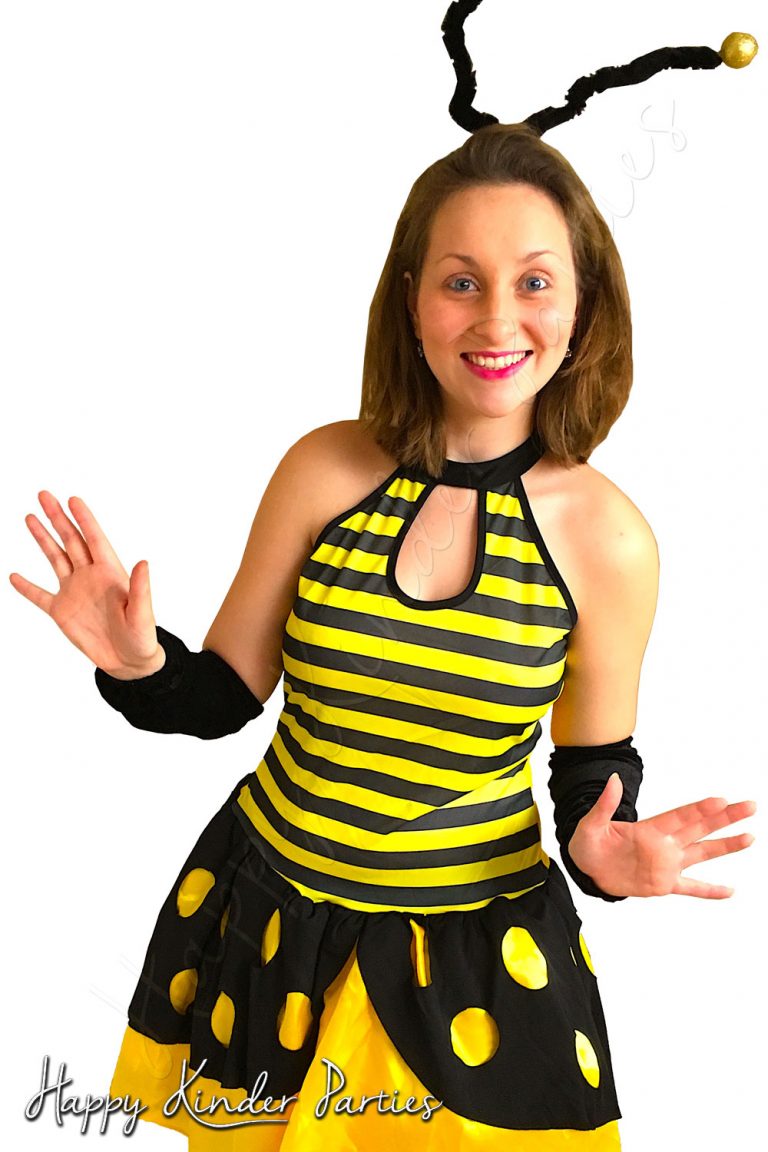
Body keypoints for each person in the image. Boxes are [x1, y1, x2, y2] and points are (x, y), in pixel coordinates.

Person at [10, 117, 757, 1150]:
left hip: (475, 972)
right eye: (462, 281)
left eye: (535, 282)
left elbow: (593, 771)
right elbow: (224, 694)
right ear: (411, 300)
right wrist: (141, 666)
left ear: (584, 307)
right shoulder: (323, 471)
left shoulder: (610, 540)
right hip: (276, 929)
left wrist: (604, 849)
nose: (497, 317)